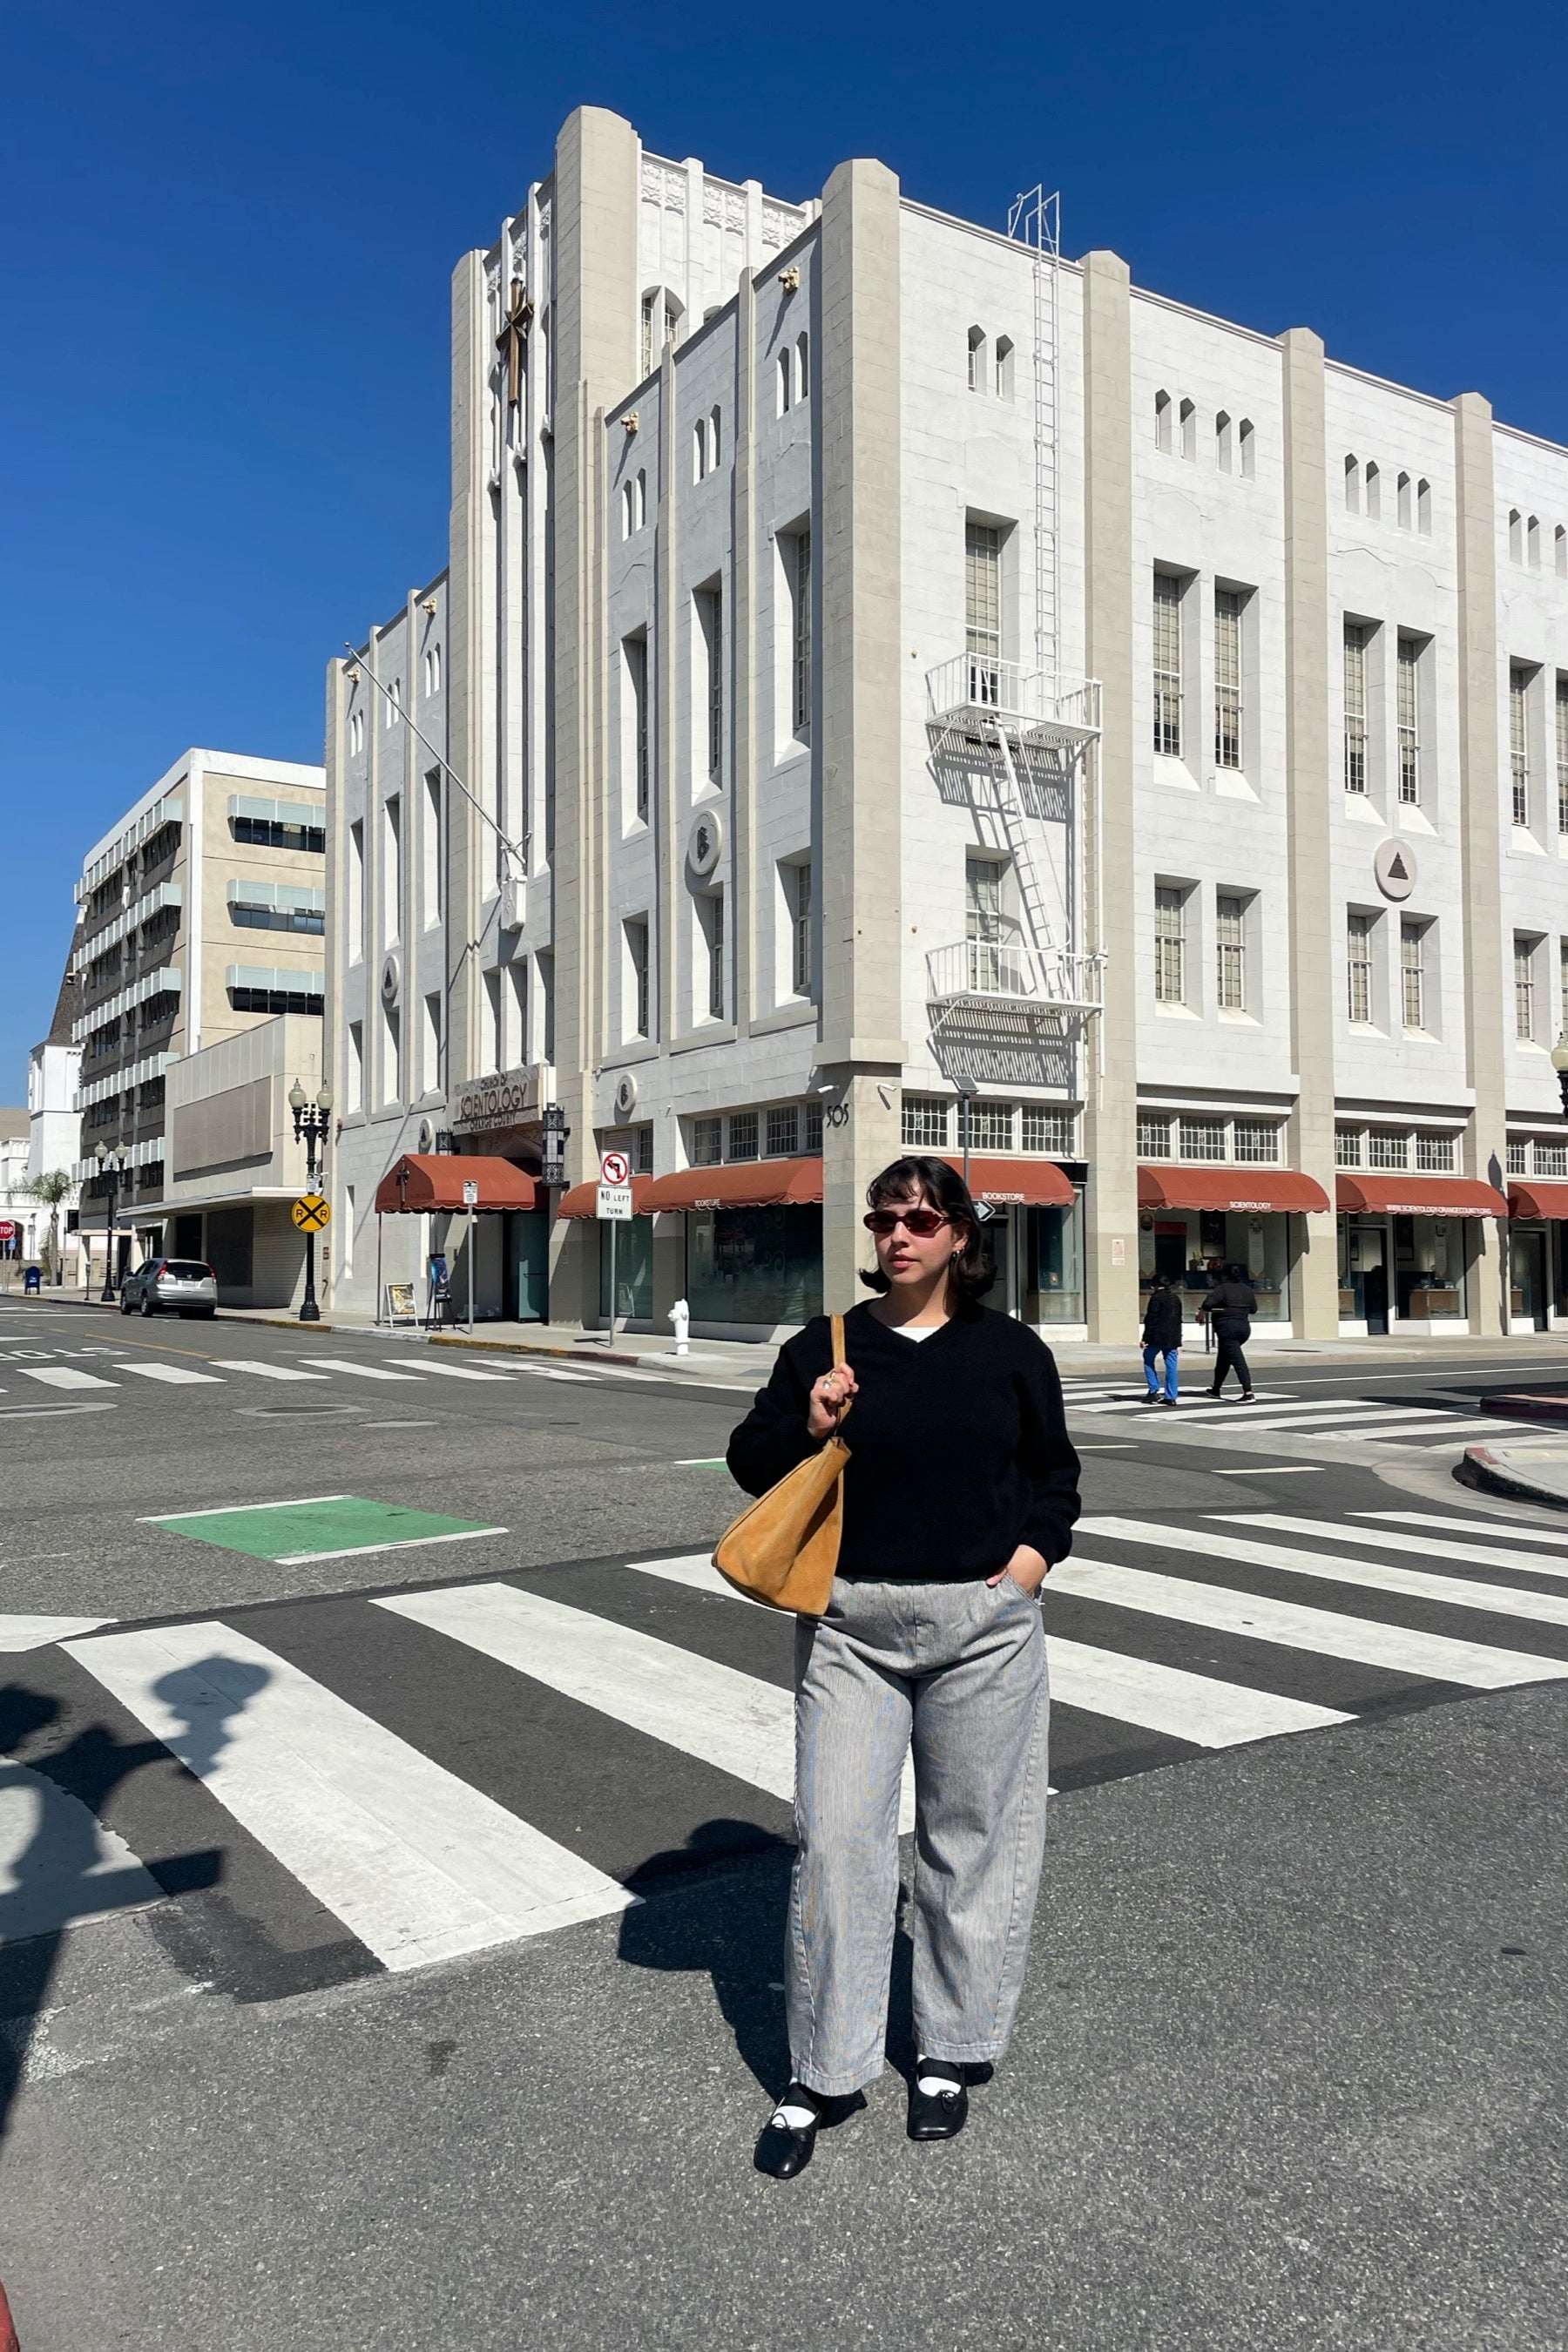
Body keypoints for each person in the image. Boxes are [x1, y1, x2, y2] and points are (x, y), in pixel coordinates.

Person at [727, 1155, 1081, 2180]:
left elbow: (1054, 1477)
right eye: (886, 1219)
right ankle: (824, 2070)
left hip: (984, 1622)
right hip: (851, 1624)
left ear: (962, 1236)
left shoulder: (1011, 1350)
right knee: (837, 1842)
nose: (900, 1235)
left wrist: (1022, 1572)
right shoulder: (824, 1348)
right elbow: (750, 1463)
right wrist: (810, 1422)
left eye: (923, 1219)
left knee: (970, 1841)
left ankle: (949, 2048)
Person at [1200, 1261, 1259, 1401]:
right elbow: (1253, 1309)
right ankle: (1216, 1388)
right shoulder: (1247, 1289)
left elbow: (1208, 1305)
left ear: (1225, 1276)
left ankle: (1248, 1392)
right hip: (1244, 1328)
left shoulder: (1222, 1289)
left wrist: (1222, 1309)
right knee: (1224, 1359)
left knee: (1238, 1361)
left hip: (1227, 1328)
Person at [1139, 1272, 1181, 1404]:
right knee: (1171, 1366)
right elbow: (1178, 1320)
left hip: (1157, 1336)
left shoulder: (1156, 1299)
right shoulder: (1176, 1299)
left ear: (1155, 1285)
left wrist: (1145, 1338)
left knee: (1148, 1359)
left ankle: (1153, 1389)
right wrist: (1178, 1340)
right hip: (1172, 1337)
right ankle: (1171, 1396)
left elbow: (1151, 1319)